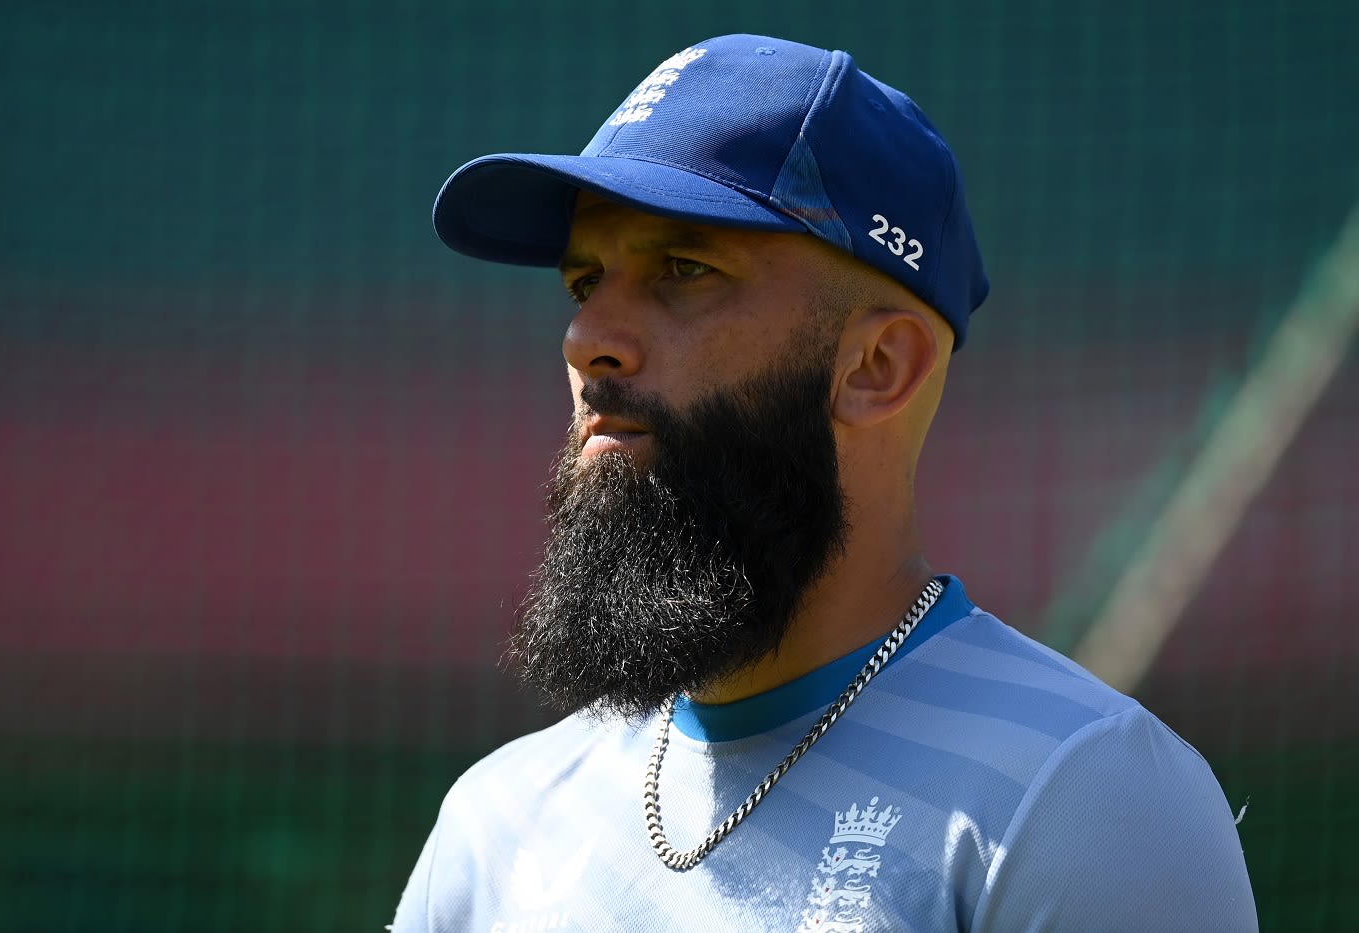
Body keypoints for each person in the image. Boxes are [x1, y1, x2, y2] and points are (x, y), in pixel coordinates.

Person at [393, 33, 1257, 932]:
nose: (585, 340)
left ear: (879, 364)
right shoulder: (498, 823)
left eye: (684, 270)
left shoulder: (1081, 796)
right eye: (584, 281)